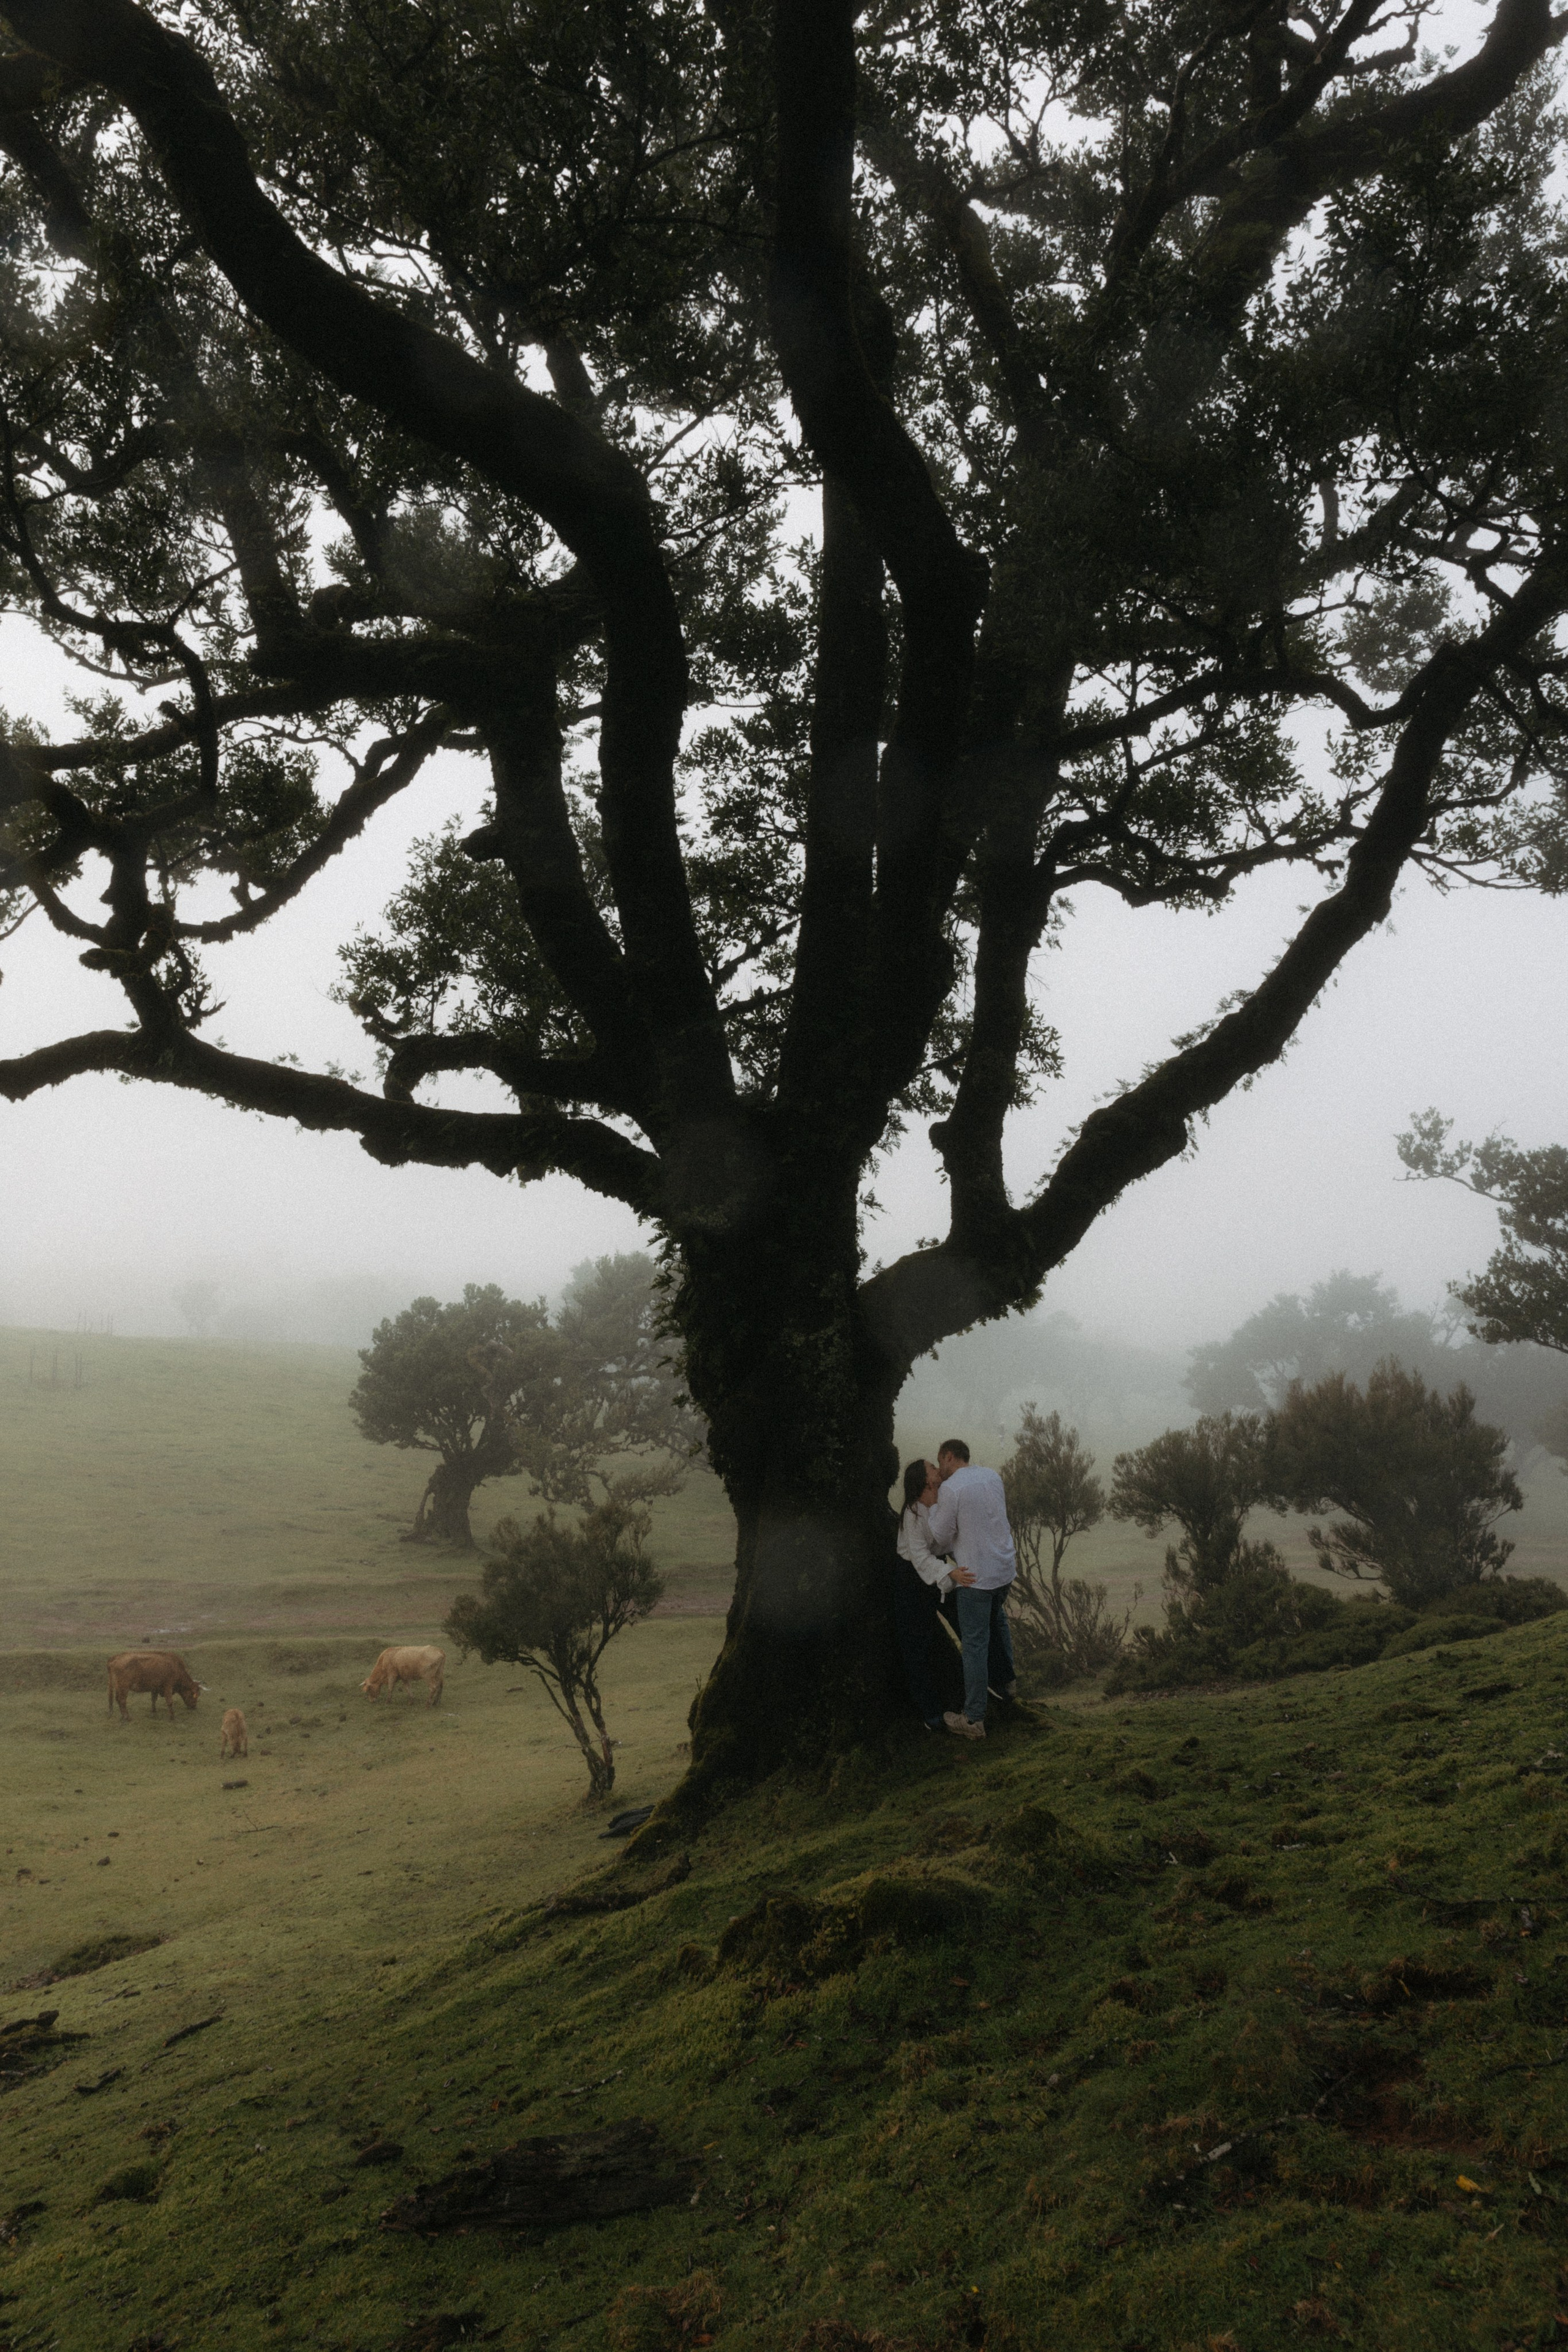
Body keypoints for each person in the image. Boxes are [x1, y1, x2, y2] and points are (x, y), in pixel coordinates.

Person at [926, 1438, 1017, 1741]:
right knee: (998, 1621)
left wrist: (935, 1503)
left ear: (949, 1457)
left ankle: (974, 1719)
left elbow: (938, 1536)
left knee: (974, 1646)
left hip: (974, 1578)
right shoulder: (992, 1476)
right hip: (1004, 1570)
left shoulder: (952, 1489)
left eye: (941, 1463)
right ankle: (1007, 1683)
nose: (940, 1471)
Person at [894, 1458, 976, 1730]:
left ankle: (975, 1695)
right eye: (932, 1467)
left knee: (968, 1628)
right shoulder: (912, 1513)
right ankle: (931, 1715)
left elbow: (949, 1539)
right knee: (917, 1646)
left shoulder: (941, 1501)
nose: (937, 1469)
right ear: (925, 1480)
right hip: (912, 1581)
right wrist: (949, 1573)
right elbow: (919, 1557)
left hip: (939, 1574)